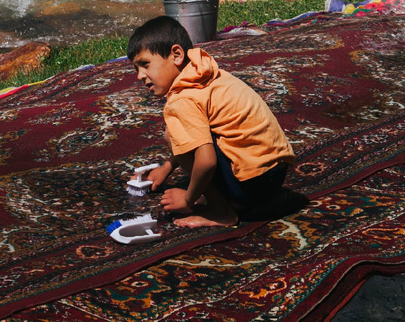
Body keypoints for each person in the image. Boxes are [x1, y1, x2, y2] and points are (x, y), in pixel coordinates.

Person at [126, 16, 295, 228]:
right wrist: (167, 167)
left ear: (177, 55)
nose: (140, 76)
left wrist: (188, 198)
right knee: (186, 134)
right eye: (136, 68)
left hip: (253, 185)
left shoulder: (182, 98)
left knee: (172, 134)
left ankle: (222, 211)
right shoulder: (203, 71)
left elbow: (206, 161)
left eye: (145, 65)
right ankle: (236, 199)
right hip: (275, 173)